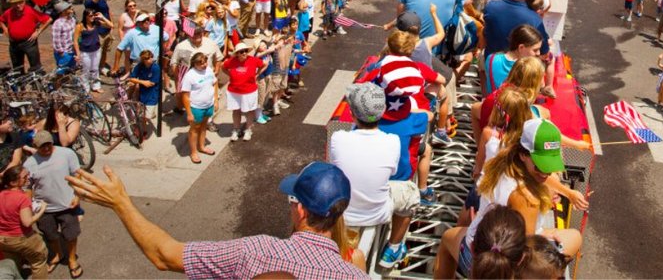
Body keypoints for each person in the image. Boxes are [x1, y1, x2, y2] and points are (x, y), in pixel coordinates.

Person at [67, 161, 368, 278]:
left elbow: (166, 255)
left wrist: (121, 203)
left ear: (300, 210)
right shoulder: (354, 274)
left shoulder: (258, 251)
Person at [433, 119, 581, 279]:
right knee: (575, 236)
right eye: (541, 166)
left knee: (448, 237)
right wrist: (546, 242)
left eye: (550, 166)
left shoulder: (501, 160)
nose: (546, 173)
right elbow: (527, 251)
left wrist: (563, 191)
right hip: (502, 267)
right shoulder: (526, 197)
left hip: (473, 250)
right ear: (523, 155)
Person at [328, 83, 419, 270]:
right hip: (377, 213)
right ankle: (393, 247)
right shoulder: (392, 141)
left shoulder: (338, 138)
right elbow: (393, 173)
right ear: (383, 110)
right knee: (410, 192)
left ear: (352, 113)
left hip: (341, 213)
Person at [24, 131, 82, 278]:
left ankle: (72, 258)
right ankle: (58, 254)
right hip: (44, 208)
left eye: (49, 144)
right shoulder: (29, 163)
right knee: (50, 235)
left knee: (71, 235)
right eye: (42, 146)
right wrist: (28, 207)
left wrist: (77, 196)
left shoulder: (67, 154)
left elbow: (78, 175)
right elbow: (28, 187)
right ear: (35, 146)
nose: (47, 148)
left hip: (67, 205)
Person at [0, 165, 48, 279]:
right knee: (38, 262)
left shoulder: (1, 194)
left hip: (3, 239)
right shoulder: (22, 198)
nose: (28, 178)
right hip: (22, 238)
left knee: (12, 262)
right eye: (24, 177)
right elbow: (27, 222)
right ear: (12, 182)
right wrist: (42, 210)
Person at [222, 42, 266, 141]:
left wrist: (257, 74)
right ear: (237, 53)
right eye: (241, 52)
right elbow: (223, 67)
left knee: (250, 111)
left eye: (245, 51)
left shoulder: (254, 60)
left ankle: (248, 130)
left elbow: (264, 65)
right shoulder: (231, 61)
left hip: (249, 91)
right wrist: (230, 75)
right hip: (234, 91)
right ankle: (236, 129)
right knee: (236, 110)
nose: (244, 53)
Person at [179, 52, 218, 164]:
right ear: (194, 64)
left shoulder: (209, 70)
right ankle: (194, 152)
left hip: (208, 105)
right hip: (196, 107)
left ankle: (202, 146)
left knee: (204, 126)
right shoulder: (190, 76)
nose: (204, 65)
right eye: (200, 63)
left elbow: (214, 84)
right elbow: (185, 96)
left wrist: (216, 100)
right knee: (194, 129)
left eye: (205, 62)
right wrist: (189, 113)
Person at [0, 0, 51, 73]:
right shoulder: (9, 12)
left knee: (35, 66)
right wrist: (5, 30)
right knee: (17, 67)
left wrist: (38, 31)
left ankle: (37, 84)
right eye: (15, 4)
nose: (18, 5)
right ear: (12, 4)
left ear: (24, 2)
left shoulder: (30, 10)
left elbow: (48, 20)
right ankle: (21, 84)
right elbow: (1, 20)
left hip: (29, 43)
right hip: (14, 43)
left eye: (20, 3)